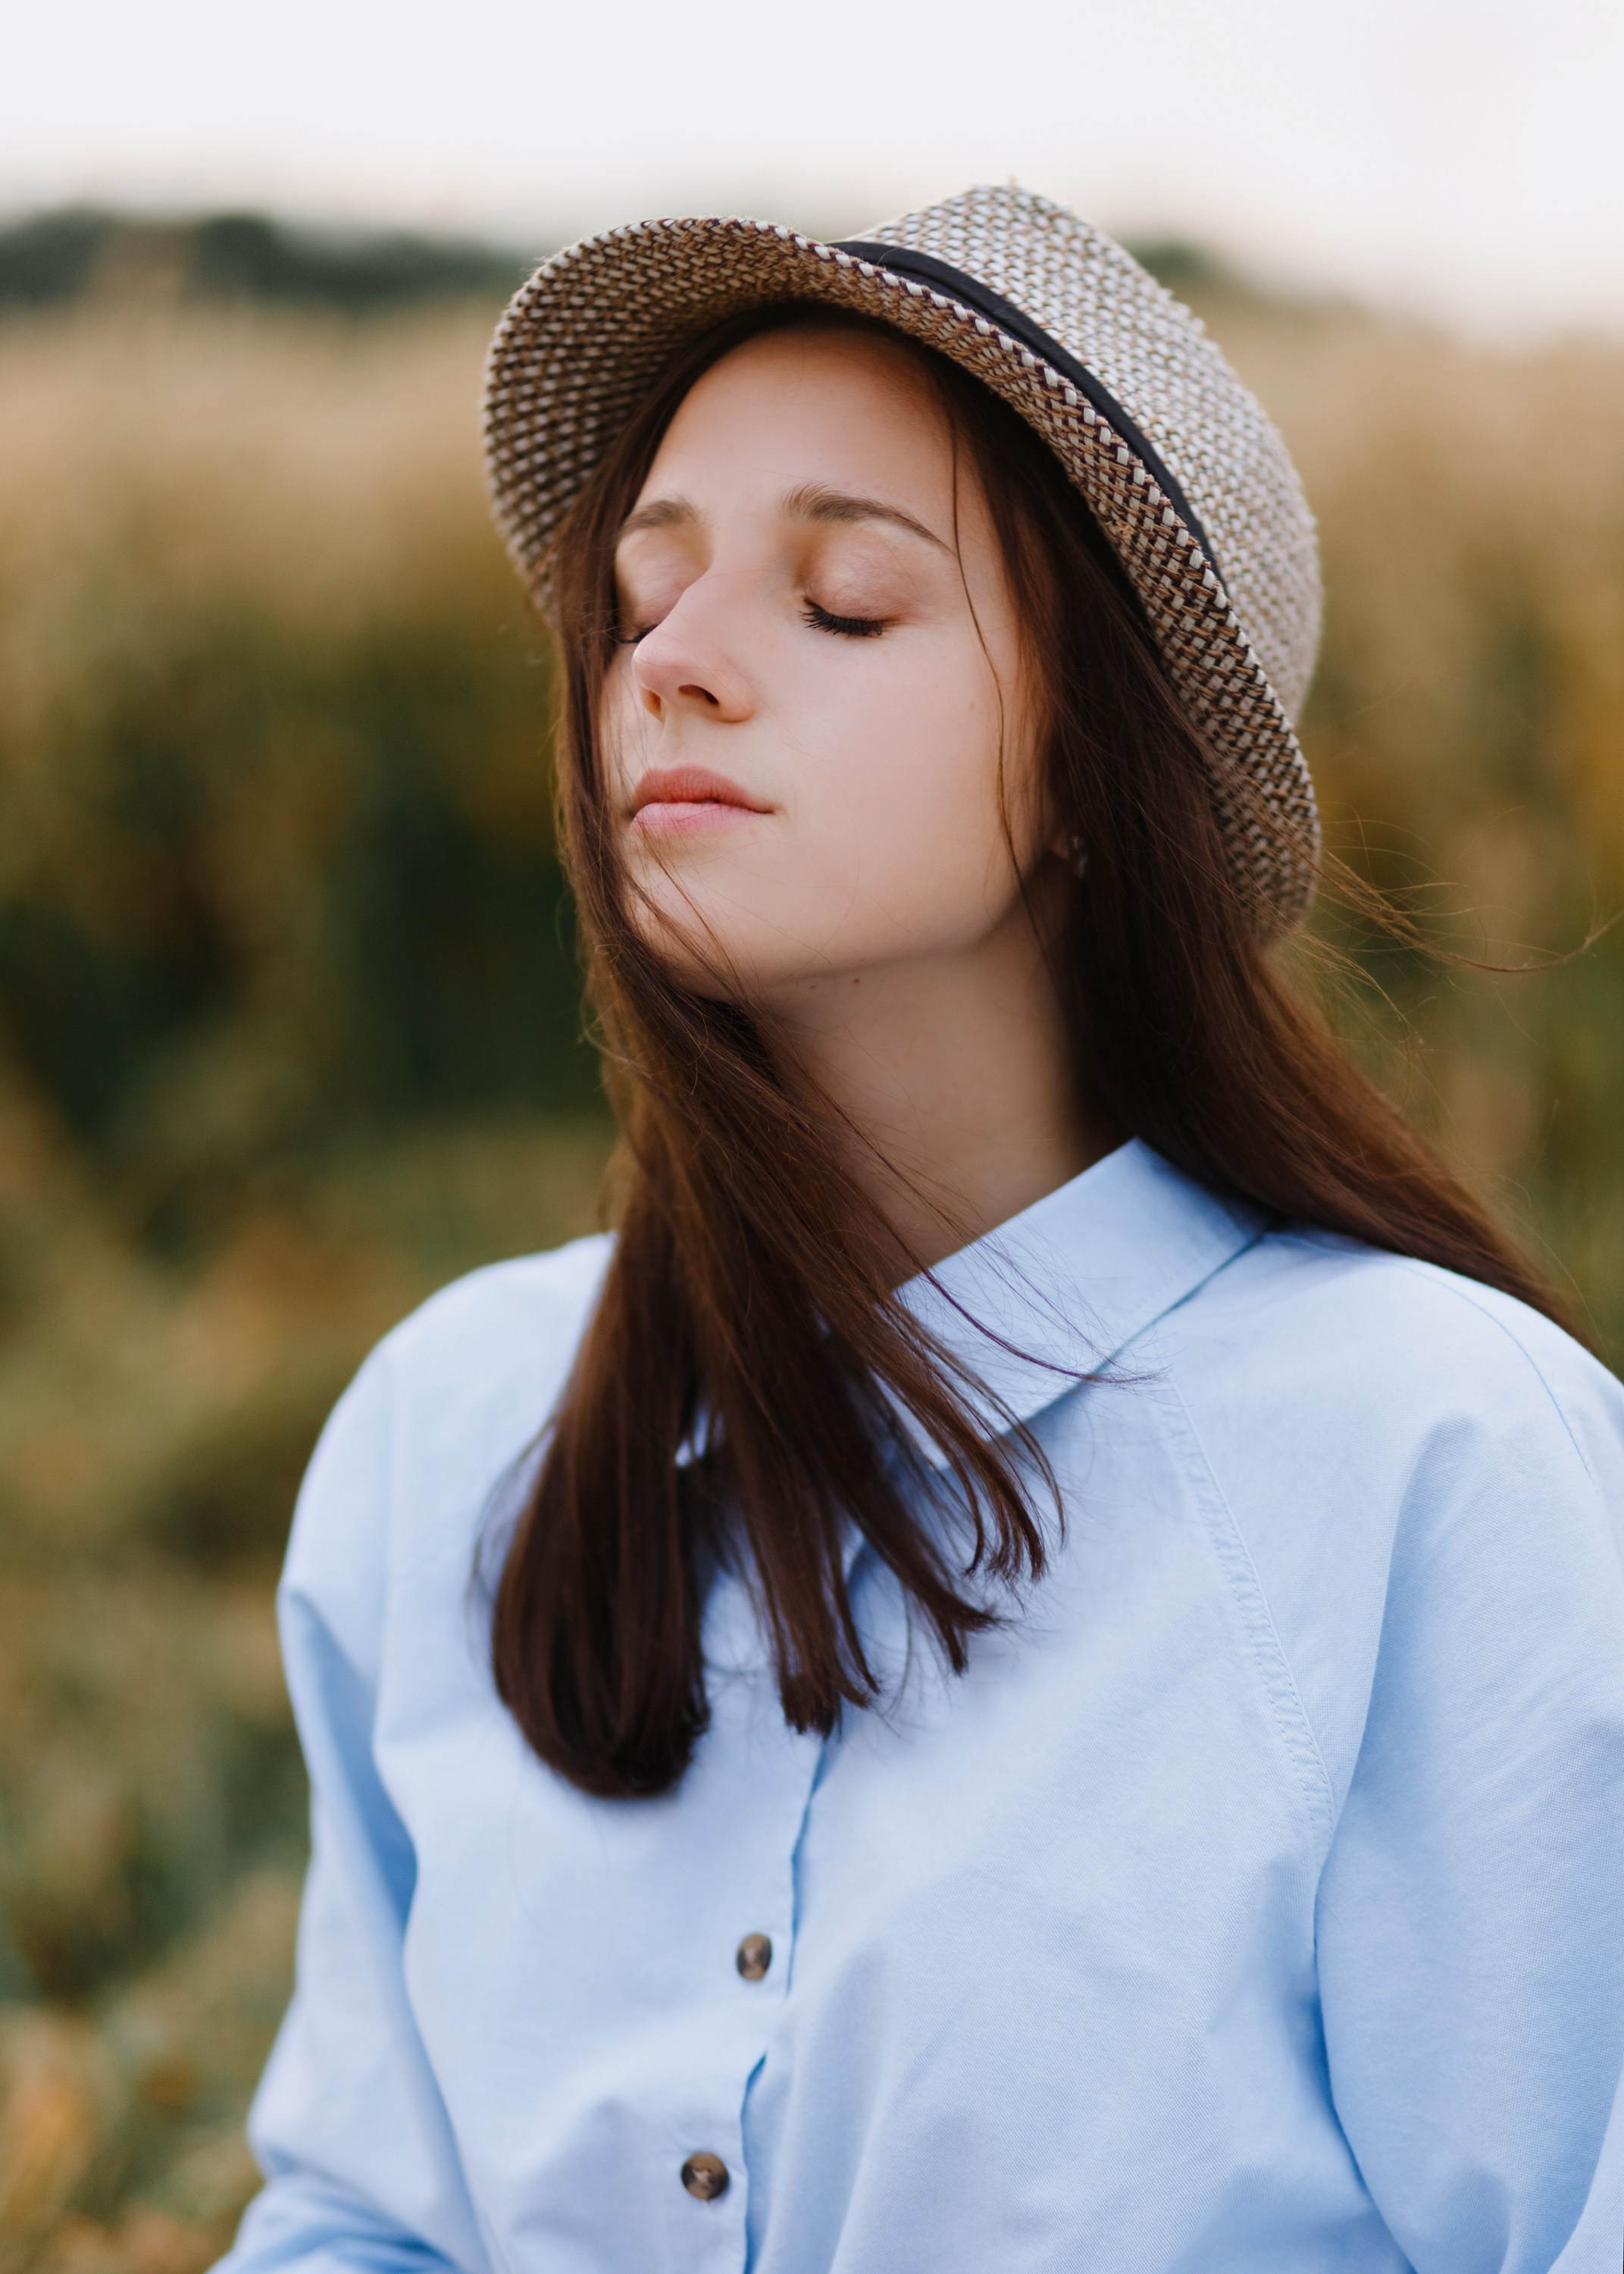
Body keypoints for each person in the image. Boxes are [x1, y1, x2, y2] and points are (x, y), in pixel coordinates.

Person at [217, 187, 1624, 2274]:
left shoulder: (1441, 1459)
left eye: (846, 602)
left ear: (1097, 761)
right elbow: (363, 2217)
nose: (668, 668)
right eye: (641, 595)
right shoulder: (453, 1429)